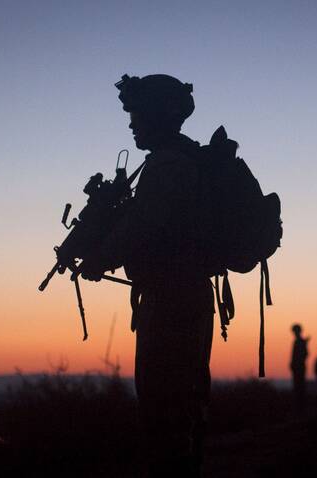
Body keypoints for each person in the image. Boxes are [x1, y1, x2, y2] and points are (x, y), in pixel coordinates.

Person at [78, 74, 213, 477]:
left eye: (138, 114)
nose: (132, 123)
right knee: (181, 408)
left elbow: (143, 227)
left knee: (165, 411)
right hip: (180, 297)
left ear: (158, 114)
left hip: (172, 301)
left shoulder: (168, 166)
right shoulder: (175, 161)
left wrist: (100, 257)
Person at [289, 324, 309, 411]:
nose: (294, 333)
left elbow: (304, 354)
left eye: (295, 331)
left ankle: (300, 407)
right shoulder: (299, 341)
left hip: (299, 366)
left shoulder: (299, 341)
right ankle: (300, 406)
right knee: (298, 386)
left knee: (299, 386)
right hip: (297, 366)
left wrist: (296, 363)